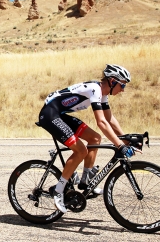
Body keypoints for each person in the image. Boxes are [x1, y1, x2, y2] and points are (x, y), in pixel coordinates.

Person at [38, 64, 137, 213]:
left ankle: (85, 180)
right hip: (50, 114)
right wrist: (119, 145)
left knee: (95, 138)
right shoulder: (95, 89)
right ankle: (59, 191)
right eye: (122, 85)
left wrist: (126, 139)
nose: (123, 90)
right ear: (112, 81)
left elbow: (110, 119)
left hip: (60, 115)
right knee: (81, 151)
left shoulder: (103, 93)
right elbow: (101, 122)